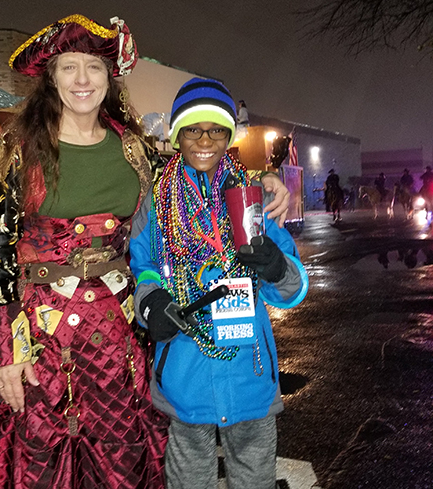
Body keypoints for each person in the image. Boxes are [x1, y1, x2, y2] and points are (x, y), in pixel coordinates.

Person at [0, 15, 292, 489]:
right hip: (40, 334)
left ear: (108, 77)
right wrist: (6, 353)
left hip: (117, 333)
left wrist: (260, 178)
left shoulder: (133, 148)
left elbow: (199, 171)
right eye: (69, 67)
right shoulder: (19, 147)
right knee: (41, 454)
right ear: (51, 77)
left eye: (92, 67)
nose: (82, 80)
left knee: (120, 456)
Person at [129, 78, 309, 489]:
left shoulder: (254, 196)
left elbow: (295, 289)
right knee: (189, 478)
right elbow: (144, 265)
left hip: (250, 371)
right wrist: (152, 301)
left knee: (254, 478)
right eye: (193, 129)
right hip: (184, 370)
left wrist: (277, 267)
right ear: (177, 136)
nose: (204, 139)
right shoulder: (157, 201)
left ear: (229, 135)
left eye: (215, 129)